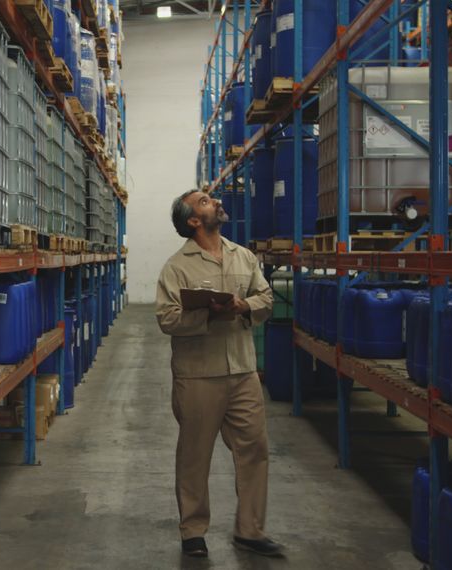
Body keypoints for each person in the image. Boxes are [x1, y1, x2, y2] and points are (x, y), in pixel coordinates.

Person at [154, 189, 281, 558]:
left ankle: (250, 530)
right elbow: (167, 319)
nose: (215, 202)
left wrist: (244, 306)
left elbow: (267, 298)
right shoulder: (177, 266)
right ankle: (193, 530)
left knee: (254, 449)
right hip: (198, 375)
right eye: (205, 201)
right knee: (195, 454)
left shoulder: (243, 256)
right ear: (193, 220)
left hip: (242, 370)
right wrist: (207, 313)